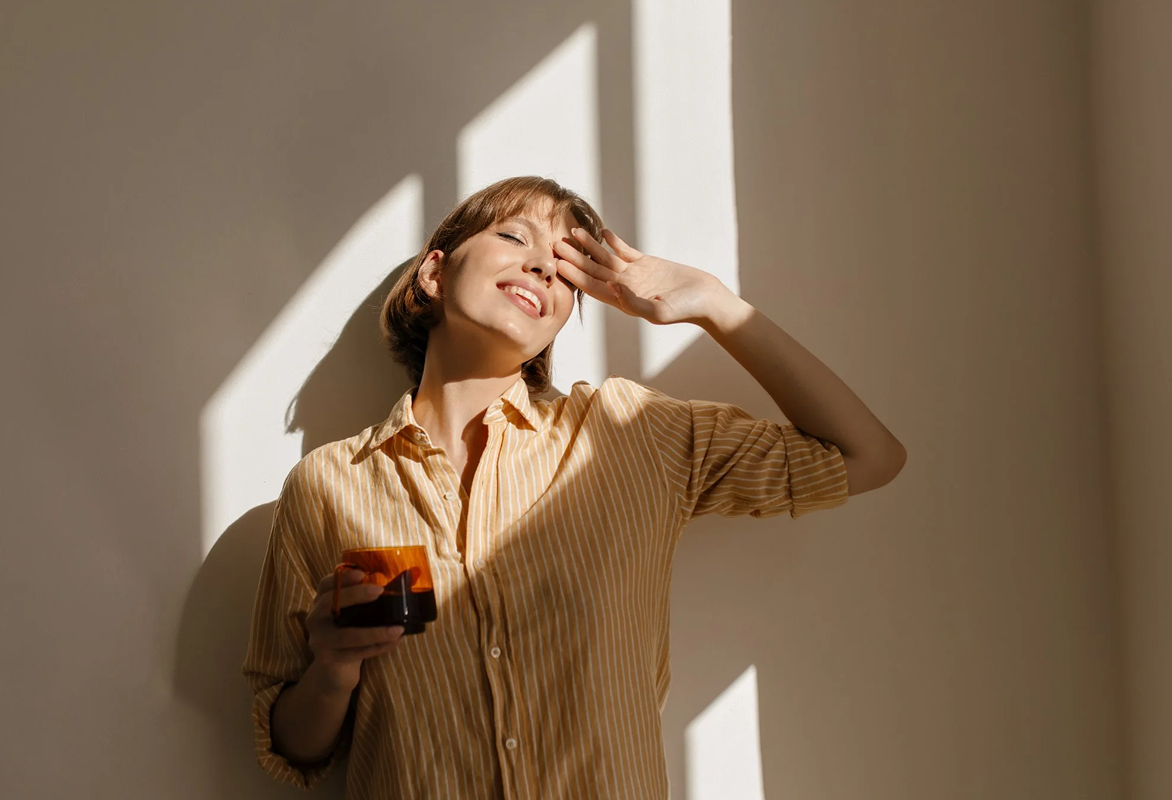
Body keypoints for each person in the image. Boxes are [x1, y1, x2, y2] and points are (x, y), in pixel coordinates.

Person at [242, 175, 906, 799]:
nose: (540, 265)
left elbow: (870, 456)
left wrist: (711, 303)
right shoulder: (329, 484)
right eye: (513, 236)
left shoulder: (629, 431)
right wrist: (332, 668)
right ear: (435, 272)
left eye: (564, 266)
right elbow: (294, 749)